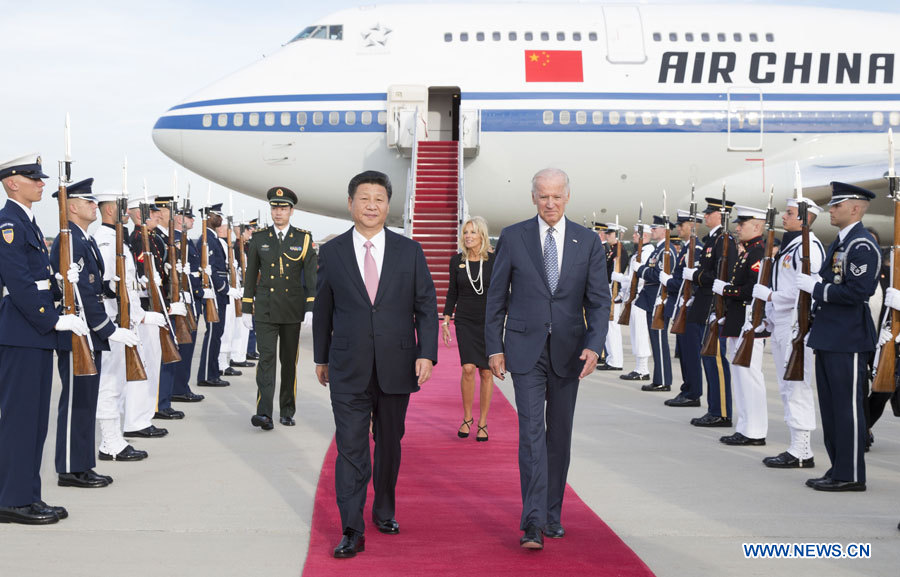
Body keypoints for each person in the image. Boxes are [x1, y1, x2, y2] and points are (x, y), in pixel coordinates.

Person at [313, 170, 437, 558]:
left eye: (379, 198)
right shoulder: (332, 253)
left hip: (397, 364)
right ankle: (352, 527)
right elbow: (323, 310)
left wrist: (426, 352)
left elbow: (426, 307)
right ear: (351, 203)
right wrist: (321, 356)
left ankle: (384, 508)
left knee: (388, 443)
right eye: (363, 198)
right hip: (347, 366)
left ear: (388, 205)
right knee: (351, 448)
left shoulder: (409, 251)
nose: (371, 205)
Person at [485, 168, 609, 549]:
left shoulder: (587, 241)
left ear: (567, 196)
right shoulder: (513, 236)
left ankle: (553, 514)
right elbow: (496, 297)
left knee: (559, 436)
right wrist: (494, 346)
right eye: (543, 196)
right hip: (524, 351)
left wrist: (595, 343)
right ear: (533, 197)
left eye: (556, 196)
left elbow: (599, 300)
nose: (550, 203)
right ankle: (533, 521)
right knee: (531, 435)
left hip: (569, 352)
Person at [0, 153, 86, 524]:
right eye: (33, 178)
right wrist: (51, 319)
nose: (41, 184)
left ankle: (27, 494)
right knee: (20, 419)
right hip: (22, 330)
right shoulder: (9, 223)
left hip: (33, 334)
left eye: (41, 178)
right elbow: (18, 282)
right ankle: (12, 500)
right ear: (11, 182)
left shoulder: (29, 222)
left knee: (35, 421)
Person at [50, 179, 141, 488]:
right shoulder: (69, 239)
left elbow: (94, 286)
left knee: (86, 402)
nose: (95, 206)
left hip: (89, 334)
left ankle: (82, 464)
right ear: (72, 207)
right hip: (78, 334)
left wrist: (111, 288)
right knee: (77, 402)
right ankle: (69, 469)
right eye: (88, 202)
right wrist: (109, 329)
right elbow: (80, 294)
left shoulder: (83, 238)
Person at [802, 181, 880, 492]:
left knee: (847, 409)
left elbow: (858, 291)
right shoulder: (841, 241)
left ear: (856, 208)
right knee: (832, 409)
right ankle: (837, 468)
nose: (831, 210)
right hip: (829, 333)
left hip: (847, 336)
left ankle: (851, 474)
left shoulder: (861, 245)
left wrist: (817, 289)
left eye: (837, 205)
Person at [755, 198, 824, 467]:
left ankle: (802, 450)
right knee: (787, 388)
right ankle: (798, 448)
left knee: (797, 387)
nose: (784, 216)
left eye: (791, 213)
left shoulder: (810, 248)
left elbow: (804, 290)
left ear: (805, 219)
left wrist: (771, 297)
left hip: (797, 324)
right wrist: (769, 317)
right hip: (783, 323)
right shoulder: (792, 246)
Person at [242, 187, 317, 429]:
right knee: (266, 360)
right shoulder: (260, 237)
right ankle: (264, 413)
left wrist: (310, 307)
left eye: (283, 208)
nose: (278, 212)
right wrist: (246, 306)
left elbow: (312, 277)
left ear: (291, 211)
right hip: (265, 308)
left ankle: (287, 409)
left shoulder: (303, 238)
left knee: (288, 362)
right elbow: (251, 273)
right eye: (275, 208)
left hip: (292, 309)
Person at [93, 190, 155, 460]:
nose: (127, 213)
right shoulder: (105, 240)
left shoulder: (119, 240)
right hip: (112, 320)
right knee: (109, 382)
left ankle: (115, 437)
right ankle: (109, 442)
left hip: (124, 319)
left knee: (117, 382)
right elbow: (108, 286)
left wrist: (138, 314)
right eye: (121, 208)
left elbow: (127, 285)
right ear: (109, 210)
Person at [715, 205, 769, 446]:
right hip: (738, 319)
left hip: (749, 322)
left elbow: (752, 290)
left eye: (742, 224)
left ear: (757, 226)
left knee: (750, 377)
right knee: (740, 377)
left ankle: (755, 431)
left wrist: (726, 290)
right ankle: (745, 427)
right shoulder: (748, 252)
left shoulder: (758, 253)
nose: (737, 228)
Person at [681, 197, 737, 427]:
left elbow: (723, 276)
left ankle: (721, 411)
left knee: (715, 359)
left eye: (710, 213)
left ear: (721, 215)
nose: (705, 216)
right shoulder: (713, 240)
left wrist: (695, 276)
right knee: (708, 357)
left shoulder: (725, 241)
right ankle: (715, 408)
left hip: (715, 304)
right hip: (705, 304)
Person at [442, 216, 494, 441]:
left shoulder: (494, 259)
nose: (468, 236)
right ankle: (467, 417)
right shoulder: (456, 261)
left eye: (473, 232)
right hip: (464, 320)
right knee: (468, 369)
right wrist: (446, 319)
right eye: (466, 232)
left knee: (486, 371)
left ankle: (482, 421)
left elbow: (504, 290)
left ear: (482, 235)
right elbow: (452, 292)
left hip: (489, 321)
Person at [123, 197, 169, 439]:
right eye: (150, 212)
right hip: (143, 307)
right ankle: (136, 419)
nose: (156, 215)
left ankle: (144, 416)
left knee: (152, 362)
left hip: (153, 305)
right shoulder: (138, 239)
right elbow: (139, 275)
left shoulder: (150, 238)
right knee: (144, 364)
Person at [662, 209, 704, 407]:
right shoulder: (686, 249)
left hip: (691, 307)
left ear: (694, 226)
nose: (678, 228)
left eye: (682, 224)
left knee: (691, 353)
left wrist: (669, 282)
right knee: (685, 352)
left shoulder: (697, 249)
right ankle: (687, 389)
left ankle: (693, 392)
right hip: (682, 306)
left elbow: (691, 283)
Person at [152, 196, 187, 420]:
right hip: (162, 301)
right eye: (165, 210)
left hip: (172, 300)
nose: (167, 214)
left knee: (171, 350)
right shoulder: (155, 237)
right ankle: (159, 402)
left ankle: (165, 398)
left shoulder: (171, 237)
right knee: (163, 353)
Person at [636, 215, 676, 392]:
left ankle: (663, 381)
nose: (652, 230)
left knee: (659, 341)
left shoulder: (667, 251)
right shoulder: (658, 250)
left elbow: (659, 274)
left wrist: (642, 270)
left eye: (655, 228)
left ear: (664, 231)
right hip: (651, 299)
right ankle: (658, 378)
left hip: (659, 300)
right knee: (655, 341)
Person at [170, 204, 205, 403]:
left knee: (188, 346)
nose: (193, 220)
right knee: (184, 345)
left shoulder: (185, 240)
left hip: (193, 298)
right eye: (189, 217)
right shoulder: (176, 239)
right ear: (178, 218)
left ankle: (182, 385)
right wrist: (198, 289)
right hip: (187, 298)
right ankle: (179, 387)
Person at [611, 224, 653, 380]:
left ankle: (643, 369)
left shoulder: (648, 252)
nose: (634, 236)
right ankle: (638, 367)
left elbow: (640, 278)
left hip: (641, 297)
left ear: (645, 236)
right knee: (636, 334)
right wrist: (622, 294)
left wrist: (620, 278)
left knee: (640, 333)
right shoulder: (637, 253)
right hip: (633, 298)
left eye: (637, 233)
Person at [196, 203, 230, 387]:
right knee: (213, 334)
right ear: (208, 217)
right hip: (215, 293)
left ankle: (213, 371)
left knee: (218, 333)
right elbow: (211, 269)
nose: (220, 218)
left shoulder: (214, 237)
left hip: (219, 293)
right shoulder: (207, 238)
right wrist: (224, 288)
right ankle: (207, 375)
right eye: (217, 215)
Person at [598, 222, 626, 372]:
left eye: (610, 234)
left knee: (613, 327)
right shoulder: (612, 250)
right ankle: (611, 359)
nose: (607, 236)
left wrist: (619, 292)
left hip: (615, 292)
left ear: (617, 235)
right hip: (609, 289)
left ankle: (616, 361)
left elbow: (619, 273)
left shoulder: (621, 252)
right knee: (609, 327)